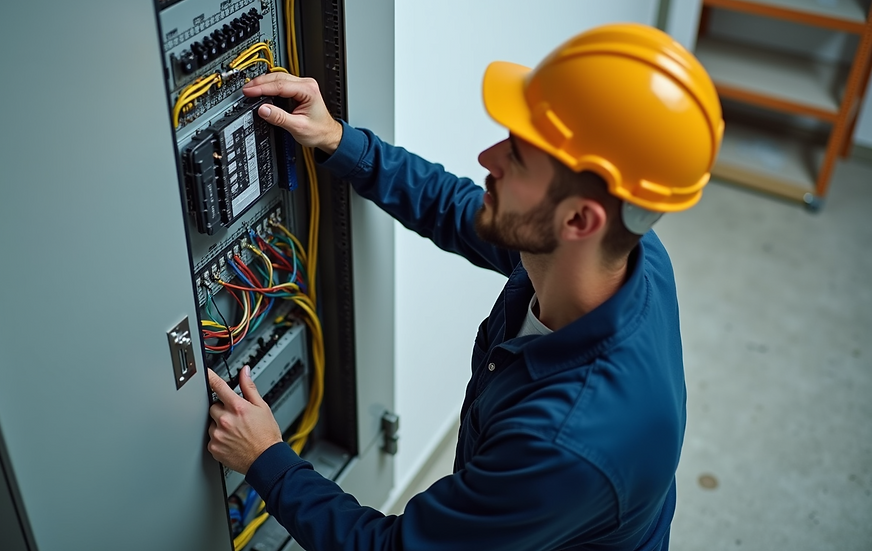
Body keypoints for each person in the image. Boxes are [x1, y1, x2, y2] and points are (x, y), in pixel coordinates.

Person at [205, 23, 723, 551]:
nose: (487, 159)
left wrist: (266, 459)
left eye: (517, 155)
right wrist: (338, 139)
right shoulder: (623, 256)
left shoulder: (564, 444)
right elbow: (455, 207)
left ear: (579, 220)